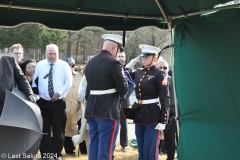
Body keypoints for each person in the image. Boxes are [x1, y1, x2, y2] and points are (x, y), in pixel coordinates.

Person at [84, 34, 128, 160]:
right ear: (114, 47)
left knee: (94, 145)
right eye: (118, 49)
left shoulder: (91, 62)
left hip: (92, 109)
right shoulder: (114, 63)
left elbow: (88, 90)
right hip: (108, 111)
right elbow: (123, 88)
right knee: (106, 149)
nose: (117, 52)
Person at [123, 44, 170, 160]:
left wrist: (164, 120)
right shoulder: (139, 72)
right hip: (140, 114)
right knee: (141, 149)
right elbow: (123, 74)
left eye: (146, 57)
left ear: (154, 58)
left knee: (151, 149)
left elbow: (165, 98)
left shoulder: (159, 74)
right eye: (142, 57)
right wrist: (130, 64)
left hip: (153, 115)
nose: (143, 59)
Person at [32, 44, 72, 160]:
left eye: (55, 53)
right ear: (46, 53)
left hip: (58, 102)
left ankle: (57, 153)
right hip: (43, 102)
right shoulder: (40, 65)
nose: (53, 56)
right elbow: (35, 82)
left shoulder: (64, 66)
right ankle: (45, 154)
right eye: (50, 53)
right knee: (44, 129)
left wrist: (58, 94)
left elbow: (68, 83)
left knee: (58, 129)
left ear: (58, 53)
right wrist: (35, 97)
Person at [116, 50, 137, 152]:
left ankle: (124, 144)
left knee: (124, 123)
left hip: (125, 101)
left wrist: (124, 97)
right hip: (114, 100)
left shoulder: (129, 71)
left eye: (122, 56)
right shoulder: (113, 69)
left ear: (125, 58)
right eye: (119, 56)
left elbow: (132, 85)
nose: (121, 58)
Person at [156, 60, 177, 160]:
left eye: (164, 68)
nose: (162, 70)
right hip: (156, 115)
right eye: (160, 67)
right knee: (157, 141)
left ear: (168, 69)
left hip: (172, 115)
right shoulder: (153, 82)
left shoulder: (174, 82)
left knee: (171, 141)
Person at [63, 57, 82, 156]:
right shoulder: (60, 77)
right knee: (59, 129)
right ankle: (56, 150)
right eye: (68, 65)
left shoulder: (79, 77)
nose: (70, 67)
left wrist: (80, 103)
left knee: (71, 128)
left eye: (72, 65)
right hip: (61, 107)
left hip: (75, 108)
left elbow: (83, 91)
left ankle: (70, 150)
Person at [72, 67, 90, 155]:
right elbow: (80, 96)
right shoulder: (85, 79)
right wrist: (94, 98)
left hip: (105, 118)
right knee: (91, 145)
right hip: (89, 118)